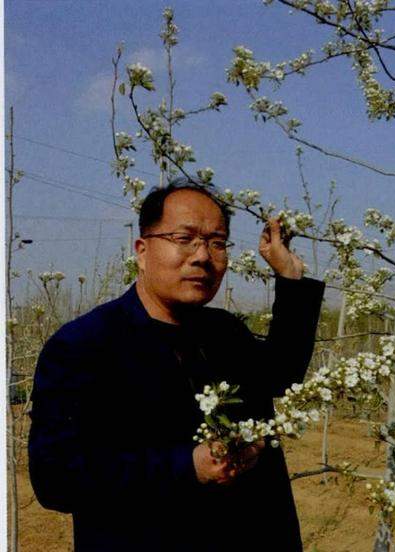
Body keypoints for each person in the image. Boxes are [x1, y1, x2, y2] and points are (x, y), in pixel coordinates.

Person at [28, 178, 325, 551]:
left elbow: (281, 375)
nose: (202, 256)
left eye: (217, 242)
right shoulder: (83, 346)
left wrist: (290, 278)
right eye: (184, 239)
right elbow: (55, 479)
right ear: (142, 250)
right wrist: (188, 467)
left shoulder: (225, 333)